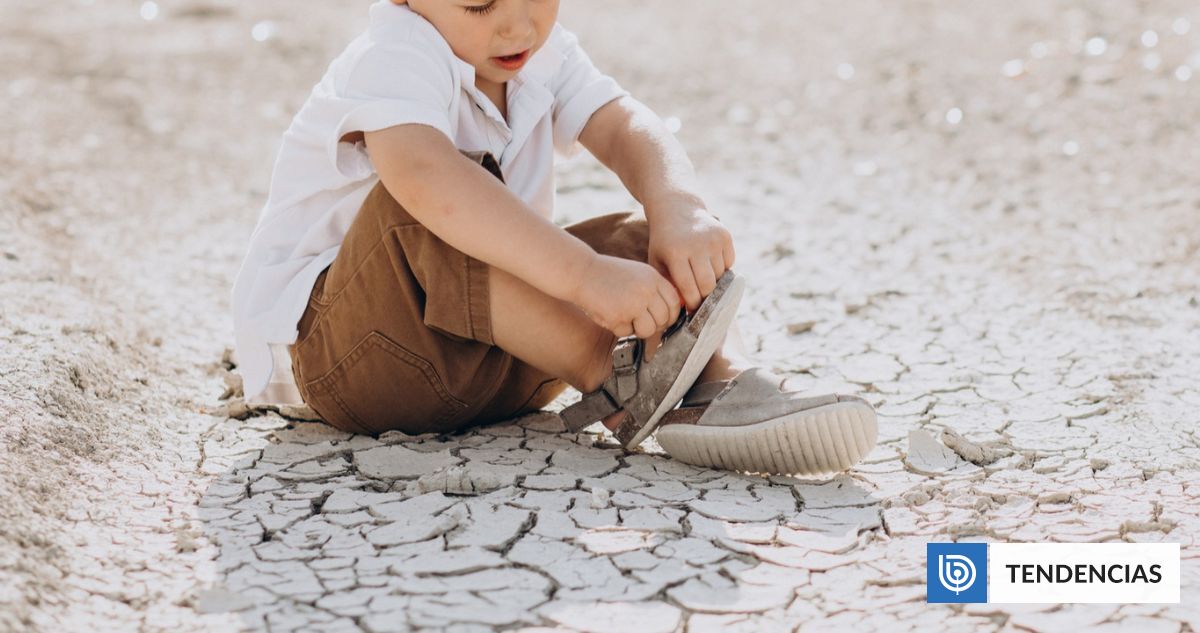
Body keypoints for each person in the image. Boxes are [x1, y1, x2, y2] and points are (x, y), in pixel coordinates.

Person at [230, 0, 877, 476]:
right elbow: (422, 173)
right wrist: (585, 279)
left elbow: (624, 125)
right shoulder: (395, 52)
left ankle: (716, 382)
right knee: (428, 209)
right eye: (478, 4)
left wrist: (680, 205)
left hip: (508, 358)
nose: (515, 25)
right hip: (352, 358)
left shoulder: (544, 52)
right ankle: (618, 372)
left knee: (646, 236)